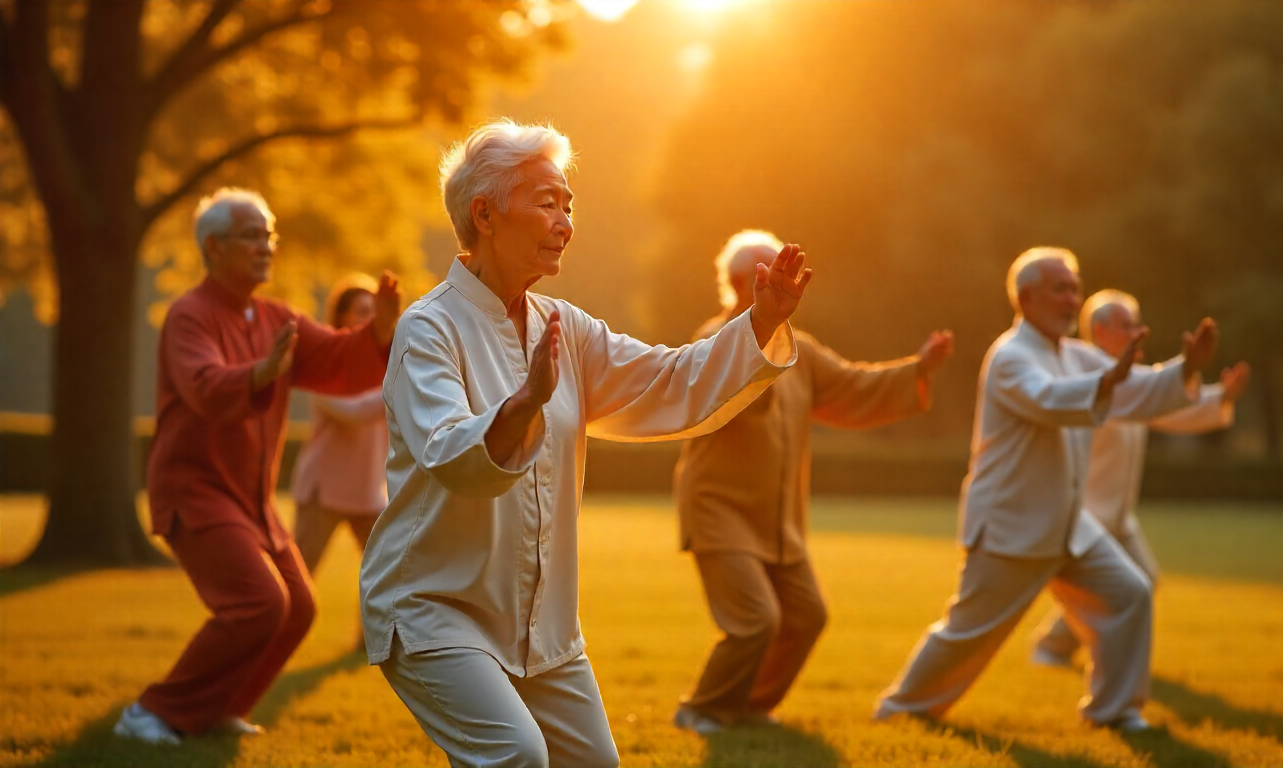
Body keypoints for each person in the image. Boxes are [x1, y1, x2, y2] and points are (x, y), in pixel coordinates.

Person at [359, 120, 813, 768]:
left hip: (541, 627)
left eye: (569, 205)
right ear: (484, 214)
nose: (566, 221)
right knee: (517, 756)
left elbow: (669, 379)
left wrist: (761, 322)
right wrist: (523, 403)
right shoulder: (428, 329)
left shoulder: (565, 328)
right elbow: (449, 454)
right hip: (435, 609)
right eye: (547, 202)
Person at [872, 247, 1218, 732]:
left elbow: (1133, 388)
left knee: (1129, 594)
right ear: (1027, 297)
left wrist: (1183, 370)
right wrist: (1107, 381)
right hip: (1011, 526)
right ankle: (900, 709)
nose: (1071, 298)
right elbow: (1050, 400)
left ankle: (1114, 710)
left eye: (1075, 288)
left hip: (1069, 524)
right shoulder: (1010, 357)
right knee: (967, 633)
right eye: (1061, 288)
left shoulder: (1075, 355)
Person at [113, 188, 402, 745]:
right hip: (195, 492)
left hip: (252, 500)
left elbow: (338, 360)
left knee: (296, 609)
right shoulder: (188, 316)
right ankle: (152, 711)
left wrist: (379, 333)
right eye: (252, 235)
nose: (266, 246)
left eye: (268, 235)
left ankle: (221, 709)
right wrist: (260, 373)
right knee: (259, 602)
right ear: (213, 247)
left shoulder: (277, 316)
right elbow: (201, 388)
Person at [672, 230, 954, 734]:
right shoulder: (712, 340)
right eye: (768, 274)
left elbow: (851, 386)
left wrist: (917, 371)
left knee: (806, 616)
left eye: (787, 273)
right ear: (740, 283)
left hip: (780, 521)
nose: (783, 283)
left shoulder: (799, 347)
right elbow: (709, 402)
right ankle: (701, 709)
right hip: (720, 511)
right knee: (757, 622)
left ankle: (751, 707)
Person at [1030, 289, 1251, 667]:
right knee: (1118, 590)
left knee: (1142, 580)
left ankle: (1059, 646)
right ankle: (1059, 649)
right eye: (1126, 325)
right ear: (1099, 332)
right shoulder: (1086, 384)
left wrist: (1220, 398)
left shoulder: (1132, 385)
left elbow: (1170, 408)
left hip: (1119, 516)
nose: (1137, 331)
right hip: (1088, 516)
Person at [289, 273, 390, 642]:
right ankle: (264, 640)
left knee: (385, 569)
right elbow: (353, 412)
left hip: (368, 491)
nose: (370, 317)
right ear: (342, 317)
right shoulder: (325, 364)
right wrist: (396, 386)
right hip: (324, 489)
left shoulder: (385, 364)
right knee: (298, 574)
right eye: (362, 310)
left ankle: (369, 644)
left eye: (374, 310)